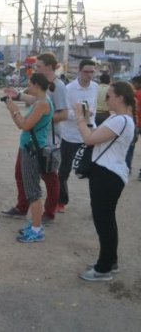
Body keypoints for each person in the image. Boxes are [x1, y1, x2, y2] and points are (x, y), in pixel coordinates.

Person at [75, 81, 136, 281]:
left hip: (107, 175)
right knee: (107, 220)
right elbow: (97, 136)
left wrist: (80, 119)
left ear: (120, 98)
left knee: (104, 222)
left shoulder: (121, 120)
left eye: (108, 95)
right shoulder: (120, 119)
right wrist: (89, 120)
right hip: (109, 174)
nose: (105, 99)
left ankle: (103, 269)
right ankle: (110, 261)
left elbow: (89, 139)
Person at [1, 53, 67, 224]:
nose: (35, 68)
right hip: (33, 140)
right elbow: (37, 100)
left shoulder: (58, 87)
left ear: (50, 66)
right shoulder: (43, 91)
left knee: (48, 179)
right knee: (22, 175)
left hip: (46, 140)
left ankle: (47, 213)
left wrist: (39, 118)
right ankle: (22, 207)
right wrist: (18, 96)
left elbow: (64, 113)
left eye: (38, 66)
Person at [4, 73, 54, 243]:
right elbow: (23, 122)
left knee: (33, 191)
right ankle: (35, 225)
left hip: (32, 151)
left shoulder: (42, 104)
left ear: (36, 85)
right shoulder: (40, 101)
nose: (28, 88)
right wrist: (13, 103)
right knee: (32, 190)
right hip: (30, 148)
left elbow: (24, 125)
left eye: (30, 85)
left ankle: (37, 229)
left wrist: (14, 110)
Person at [56, 60, 98, 213]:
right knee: (64, 170)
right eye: (86, 72)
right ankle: (61, 201)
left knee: (94, 171)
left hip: (90, 134)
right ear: (79, 71)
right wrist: (81, 114)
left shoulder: (95, 87)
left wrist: (90, 119)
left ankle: (97, 205)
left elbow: (93, 111)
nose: (89, 75)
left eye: (92, 72)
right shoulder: (69, 89)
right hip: (71, 135)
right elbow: (65, 113)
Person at [128, 75, 141, 180]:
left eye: (133, 83)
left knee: (130, 147)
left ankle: (127, 168)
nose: (132, 84)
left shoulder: (135, 94)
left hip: (136, 123)